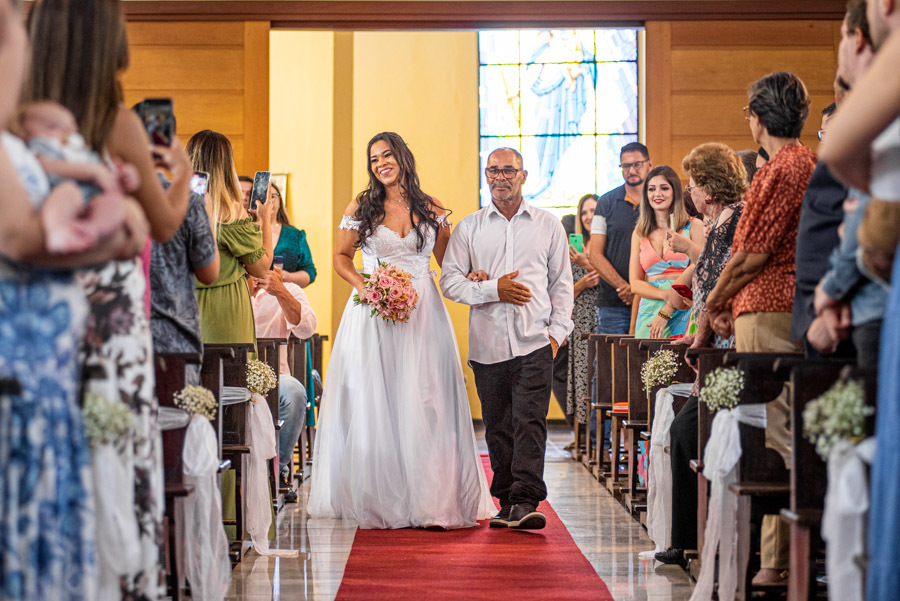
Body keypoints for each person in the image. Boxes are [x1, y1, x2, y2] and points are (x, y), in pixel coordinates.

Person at [25, 0, 194, 596]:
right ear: (106, 42)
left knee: (68, 440)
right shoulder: (115, 120)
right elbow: (167, 224)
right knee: (117, 446)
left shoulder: (21, 122)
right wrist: (180, 170)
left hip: (47, 305)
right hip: (114, 314)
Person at [0, 0, 148, 597]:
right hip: (21, 389)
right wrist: (110, 225)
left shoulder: (25, 138)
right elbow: (20, 236)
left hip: (44, 388)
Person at [308, 131, 494, 530]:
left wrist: (473, 273)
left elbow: (450, 265)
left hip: (424, 312)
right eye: (374, 159)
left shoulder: (432, 207)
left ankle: (431, 500)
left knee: (426, 399)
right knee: (378, 399)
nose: (380, 164)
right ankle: (380, 497)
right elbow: (341, 257)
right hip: (373, 313)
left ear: (403, 157)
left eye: (387, 155)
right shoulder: (363, 205)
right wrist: (367, 287)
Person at [707, 70, 815, 586]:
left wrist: (713, 302)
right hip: (767, 305)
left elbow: (751, 254)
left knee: (773, 430)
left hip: (773, 306)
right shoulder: (793, 164)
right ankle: (768, 555)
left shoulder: (784, 167)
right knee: (770, 427)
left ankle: (775, 562)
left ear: (756, 118)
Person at [441, 146, 574, 530]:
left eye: (509, 170)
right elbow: (450, 282)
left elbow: (561, 286)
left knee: (530, 422)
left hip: (535, 340)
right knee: (498, 424)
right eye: (493, 171)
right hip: (488, 343)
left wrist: (557, 335)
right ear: (487, 176)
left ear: (524, 175)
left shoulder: (547, 225)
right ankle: (505, 500)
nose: (501, 177)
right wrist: (491, 290)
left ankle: (526, 499)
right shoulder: (469, 227)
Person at [654, 143, 748, 566]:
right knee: (687, 432)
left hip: (728, 350)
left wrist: (700, 338)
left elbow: (718, 290)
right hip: (712, 347)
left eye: (691, 185)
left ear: (708, 189)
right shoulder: (720, 224)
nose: (688, 192)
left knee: (687, 433)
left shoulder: (733, 223)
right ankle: (690, 536)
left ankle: (690, 538)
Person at [188, 131, 275, 346]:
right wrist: (264, 220)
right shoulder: (230, 212)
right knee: (228, 376)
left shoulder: (175, 206)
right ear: (226, 165)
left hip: (185, 306)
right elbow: (262, 268)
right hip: (224, 310)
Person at [248, 267, 316, 503]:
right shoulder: (226, 288)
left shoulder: (287, 289)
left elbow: (307, 329)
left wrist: (280, 292)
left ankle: (280, 469)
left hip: (275, 376)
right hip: (232, 375)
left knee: (295, 392)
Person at [149, 174, 219, 385]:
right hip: (172, 335)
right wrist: (206, 216)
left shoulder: (101, 193)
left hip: (117, 331)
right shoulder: (187, 201)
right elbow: (209, 272)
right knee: (174, 413)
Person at [629, 165, 703, 338]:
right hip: (649, 309)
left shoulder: (693, 226)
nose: (657, 194)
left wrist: (671, 304)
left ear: (675, 192)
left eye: (664, 188)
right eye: (651, 189)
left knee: (680, 363)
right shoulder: (639, 233)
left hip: (684, 306)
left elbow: (699, 268)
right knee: (646, 363)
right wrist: (665, 296)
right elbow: (635, 283)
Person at [588, 142, 647, 335]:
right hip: (613, 302)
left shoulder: (658, 199)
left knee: (652, 362)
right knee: (611, 363)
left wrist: (639, 290)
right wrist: (625, 288)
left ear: (649, 164)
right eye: (626, 166)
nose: (631, 170)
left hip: (653, 299)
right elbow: (595, 254)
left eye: (637, 164)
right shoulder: (605, 203)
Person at [566, 194, 600, 429]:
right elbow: (561, 290)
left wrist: (588, 262)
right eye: (584, 212)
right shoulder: (572, 247)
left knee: (601, 375)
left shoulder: (604, 244)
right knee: (582, 377)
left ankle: (598, 433)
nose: (588, 217)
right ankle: (584, 434)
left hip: (604, 313)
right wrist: (583, 284)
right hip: (580, 317)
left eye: (593, 211)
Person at [268, 181, 317, 287]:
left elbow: (310, 271)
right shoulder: (246, 231)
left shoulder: (294, 234)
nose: (268, 202)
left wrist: (288, 277)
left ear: (279, 200)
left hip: (286, 293)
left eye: (272, 196)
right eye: (262, 197)